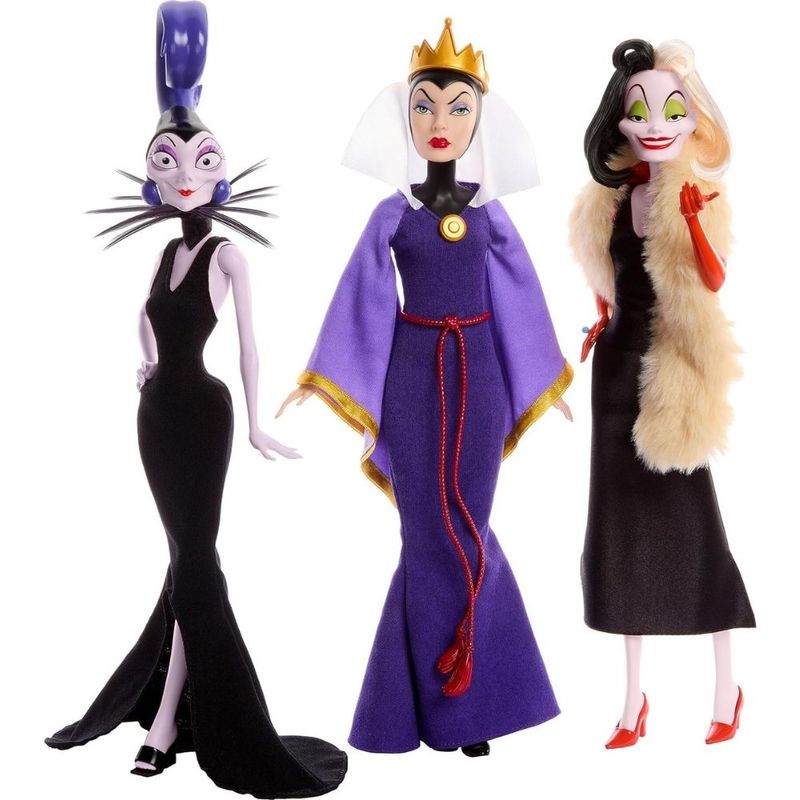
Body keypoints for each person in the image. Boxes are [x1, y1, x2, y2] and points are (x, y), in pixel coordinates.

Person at [45, 3, 347, 795]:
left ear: (219, 173)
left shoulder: (228, 254)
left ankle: (165, 723)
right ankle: (168, 715)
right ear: (154, 176)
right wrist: (144, 362)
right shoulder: (159, 254)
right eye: (169, 162)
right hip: (154, 419)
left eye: (201, 161)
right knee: (184, 559)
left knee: (195, 559)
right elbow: (141, 319)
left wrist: (256, 424)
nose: (186, 176)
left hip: (206, 417)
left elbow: (249, 343)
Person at [279, 18, 572, 757]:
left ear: (479, 119)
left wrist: (544, 375)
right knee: (426, 527)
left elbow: (519, 296)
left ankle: (432, 706)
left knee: (465, 524)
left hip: (481, 370)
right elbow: (361, 297)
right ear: (404, 116)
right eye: (424, 105)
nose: (440, 120)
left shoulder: (489, 213)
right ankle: (453, 706)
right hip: (412, 373)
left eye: (457, 107)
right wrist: (322, 378)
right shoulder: (393, 213)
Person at [569, 38, 755, 748]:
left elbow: (712, 279)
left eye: (671, 111)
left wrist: (695, 218)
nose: (653, 124)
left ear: (691, 118)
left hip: (672, 367)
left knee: (693, 513)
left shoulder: (695, 195)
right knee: (617, 526)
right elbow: (606, 275)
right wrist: (600, 320)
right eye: (638, 110)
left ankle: (727, 686)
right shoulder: (611, 200)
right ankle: (631, 701)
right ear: (616, 120)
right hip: (617, 366)